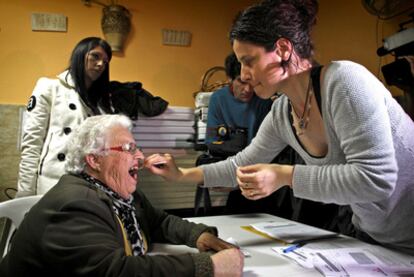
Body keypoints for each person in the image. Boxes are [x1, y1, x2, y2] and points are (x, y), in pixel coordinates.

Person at [145, 0, 414, 255]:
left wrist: (284, 175)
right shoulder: (282, 113)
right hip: (374, 234)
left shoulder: (344, 81)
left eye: (248, 60)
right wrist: (181, 174)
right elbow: (241, 165)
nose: (242, 74)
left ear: (283, 50)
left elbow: (376, 180)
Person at [0, 114, 244, 277]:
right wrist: (209, 267)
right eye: (128, 148)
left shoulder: (119, 194)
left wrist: (199, 236)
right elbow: (116, 272)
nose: (139, 157)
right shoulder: (75, 205)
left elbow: (158, 221)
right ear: (94, 159)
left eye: (136, 148)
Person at [16, 37, 113, 197]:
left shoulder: (102, 103)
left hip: (90, 186)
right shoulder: (50, 87)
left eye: (105, 61)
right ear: (80, 55)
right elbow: (32, 143)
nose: (101, 64)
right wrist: (25, 191)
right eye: (95, 56)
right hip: (53, 183)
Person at [205, 52, 272, 145]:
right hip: (226, 156)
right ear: (229, 79)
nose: (248, 89)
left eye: (252, 82)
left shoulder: (263, 100)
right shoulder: (218, 99)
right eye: (242, 82)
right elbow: (212, 142)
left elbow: (268, 143)